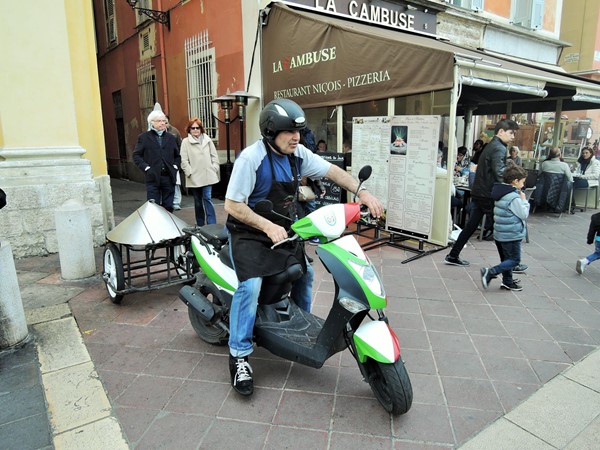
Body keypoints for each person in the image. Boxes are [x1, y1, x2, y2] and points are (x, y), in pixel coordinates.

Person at [224, 98, 383, 396]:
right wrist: (266, 226)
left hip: (282, 228)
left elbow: (332, 173)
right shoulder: (251, 158)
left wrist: (362, 192)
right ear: (271, 132)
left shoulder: (298, 155)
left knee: (305, 273)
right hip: (249, 233)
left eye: (299, 131)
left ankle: (296, 327)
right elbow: (232, 205)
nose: (296, 137)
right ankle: (240, 354)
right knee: (252, 286)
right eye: (288, 132)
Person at [445, 119, 528, 272]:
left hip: (479, 191)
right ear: (501, 132)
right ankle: (510, 264)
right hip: (487, 194)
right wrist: (511, 185)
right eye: (511, 133)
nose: (513, 137)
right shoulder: (499, 148)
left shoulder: (492, 145)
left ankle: (453, 255)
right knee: (499, 228)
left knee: (471, 226)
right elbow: (499, 172)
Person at [480, 165, 530, 291]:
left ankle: (507, 281)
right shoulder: (513, 197)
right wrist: (525, 201)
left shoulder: (500, 192)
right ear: (515, 181)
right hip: (511, 234)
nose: (523, 185)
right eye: (522, 182)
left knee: (506, 259)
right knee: (514, 260)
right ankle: (490, 272)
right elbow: (523, 214)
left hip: (500, 233)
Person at [133, 110, 180, 212]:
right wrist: (147, 168)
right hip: (152, 176)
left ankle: (168, 226)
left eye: (164, 120)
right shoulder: (144, 137)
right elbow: (136, 155)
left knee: (168, 206)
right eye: (159, 121)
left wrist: (175, 166)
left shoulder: (171, 138)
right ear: (152, 122)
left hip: (168, 176)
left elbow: (177, 156)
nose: (162, 123)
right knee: (153, 207)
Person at [180, 118, 220, 226]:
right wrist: (189, 172)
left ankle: (212, 224)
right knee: (198, 202)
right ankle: (201, 224)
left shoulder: (208, 140)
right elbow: (184, 160)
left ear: (201, 129)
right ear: (189, 129)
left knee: (207, 198)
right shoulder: (185, 142)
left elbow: (214, 155)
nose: (195, 130)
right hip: (194, 177)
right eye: (193, 128)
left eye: (197, 128)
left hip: (208, 175)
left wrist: (214, 167)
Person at [165, 115, 183, 210]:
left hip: (173, 161)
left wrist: (178, 160)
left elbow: (180, 145)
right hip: (163, 162)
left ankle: (176, 202)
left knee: (176, 182)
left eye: (165, 121)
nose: (164, 124)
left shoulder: (174, 132)